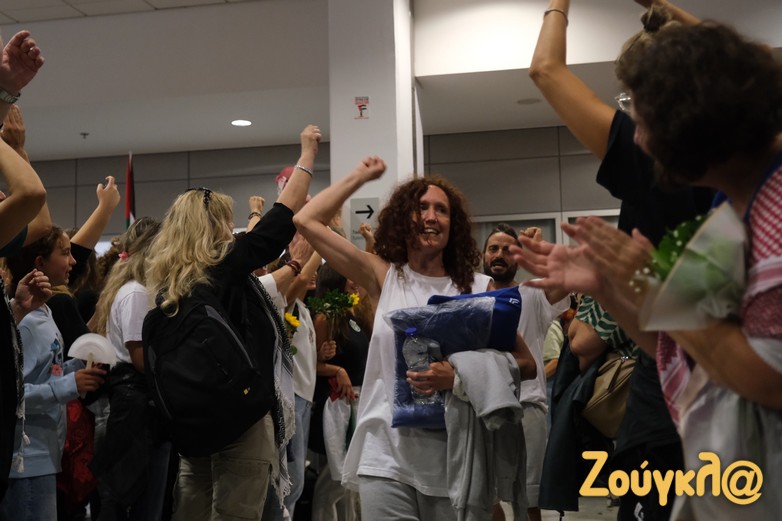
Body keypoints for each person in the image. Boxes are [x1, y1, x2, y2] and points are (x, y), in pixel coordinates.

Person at [514, 20, 782, 519]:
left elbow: (767, 378)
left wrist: (653, 287)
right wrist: (608, 288)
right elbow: (681, 343)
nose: (637, 138)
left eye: (643, 118)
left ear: (693, 118)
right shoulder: (728, 211)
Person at [527, 1, 713, 517]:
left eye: (636, 101)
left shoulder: (656, 158)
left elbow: (545, 69)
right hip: (699, 394)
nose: (633, 120)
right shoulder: (743, 173)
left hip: (685, 402)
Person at [294, 160, 536, 519]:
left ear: (453, 225)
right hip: (385, 457)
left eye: (441, 210)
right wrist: (360, 177)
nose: (431, 217)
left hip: (456, 460)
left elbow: (527, 364)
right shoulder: (383, 275)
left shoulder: (479, 288)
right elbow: (306, 220)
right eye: (421, 207)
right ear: (403, 219)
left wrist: (459, 376)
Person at [144, 124, 319, 521]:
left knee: (191, 509)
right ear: (211, 227)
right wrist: (308, 153)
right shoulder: (225, 266)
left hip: (193, 424)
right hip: (240, 417)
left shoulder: (169, 288)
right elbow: (284, 214)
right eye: (226, 221)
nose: (232, 229)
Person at [0, 227, 107, 520]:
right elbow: (15, 394)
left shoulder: (43, 312)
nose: (73, 261)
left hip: (43, 455)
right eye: (65, 253)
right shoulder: (27, 322)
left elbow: (46, 371)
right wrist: (70, 384)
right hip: (27, 460)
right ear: (40, 263)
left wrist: (77, 368)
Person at [481, 224, 569, 521]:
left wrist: (542, 253)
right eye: (493, 248)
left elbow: (568, 278)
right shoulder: (470, 294)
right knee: (485, 498)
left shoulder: (533, 293)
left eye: (508, 250)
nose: (499, 255)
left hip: (527, 405)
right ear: (483, 255)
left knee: (528, 501)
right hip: (482, 406)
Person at [88, 217, 168, 521]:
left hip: (134, 406)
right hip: (137, 409)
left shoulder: (132, 289)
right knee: (140, 503)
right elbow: (140, 358)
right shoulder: (136, 293)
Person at [309, 263, 370, 521]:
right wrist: (338, 370)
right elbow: (311, 364)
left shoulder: (350, 315)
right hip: (336, 406)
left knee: (348, 485)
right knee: (335, 481)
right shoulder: (325, 317)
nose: (354, 282)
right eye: (349, 278)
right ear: (335, 281)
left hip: (357, 402)